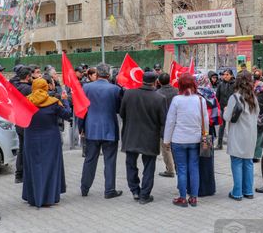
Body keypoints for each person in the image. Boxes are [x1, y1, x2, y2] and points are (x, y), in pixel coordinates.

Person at [23, 78, 72, 207]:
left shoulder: (25, 101)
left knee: (33, 166)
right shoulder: (54, 102)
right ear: (46, 87)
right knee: (50, 166)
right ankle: (49, 197)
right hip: (51, 139)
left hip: (31, 138)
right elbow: (67, 114)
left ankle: (34, 197)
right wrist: (65, 99)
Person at [120, 71, 166, 204]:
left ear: (142, 80)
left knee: (130, 164)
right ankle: (145, 195)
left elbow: (122, 113)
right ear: (155, 82)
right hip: (150, 137)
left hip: (131, 135)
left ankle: (135, 190)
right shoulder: (159, 98)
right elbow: (163, 121)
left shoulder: (129, 94)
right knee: (149, 166)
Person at [164, 73, 209, 207]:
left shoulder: (176, 100)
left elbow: (170, 121)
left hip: (179, 140)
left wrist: (167, 140)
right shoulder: (201, 100)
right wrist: (205, 136)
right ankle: (194, 198)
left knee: (182, 169)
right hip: (195, 139)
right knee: (194, 168)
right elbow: (205, 121)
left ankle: (182, 198)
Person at [79, 63, 123, 199]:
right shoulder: (115, 89)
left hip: (91, 128)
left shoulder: (86, 87)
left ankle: (84, 188)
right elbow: (118, 109)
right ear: (109, 75)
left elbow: (82, 109)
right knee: (110, 161)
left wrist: (81, 128)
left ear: (97, 74)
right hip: (110, 128)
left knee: (90, 159)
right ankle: (109, 190)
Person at [223, 71, 259, 201]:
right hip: (251, 134)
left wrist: (226, 109)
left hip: (238, 134)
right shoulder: (253, 97)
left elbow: (227, 117)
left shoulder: (235, 97)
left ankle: (237, 192)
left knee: (237, 162)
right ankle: (248, 191)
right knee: (248, 162)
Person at [196, 75, 220, 197]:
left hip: (197, 131)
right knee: (207, 158)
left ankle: (198, 188)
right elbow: (216, 116)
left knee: (198, 160)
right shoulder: (212, 95)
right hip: (208, 132)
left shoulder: (196, 96)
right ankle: (209, 188)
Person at [156, 73, 178, 178]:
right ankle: (178, 167)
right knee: (176, 147)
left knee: (165, 149)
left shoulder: (157, 93)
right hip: (176, 124)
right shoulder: (177, 91)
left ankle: (170, 170)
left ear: (159, 81)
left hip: (163, 125)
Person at [13, 67, 32, 183]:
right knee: (27, 148)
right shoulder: (28, 89)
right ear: (27, 77)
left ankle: (18, 174)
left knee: (21, 148)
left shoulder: (15, 88)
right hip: (26, 122)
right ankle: (26, 173)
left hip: (18, 120)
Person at [216, 69, 235, 149]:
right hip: (222, 107)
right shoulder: (221, 84)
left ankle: (233, 144)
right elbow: (217, 96)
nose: (225, 76)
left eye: (227, 74)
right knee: (221, 125)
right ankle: (219, 144)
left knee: (233, 126)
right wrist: (218, 107)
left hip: (232, 107)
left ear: (231, 75)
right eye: (224, 74)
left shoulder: (235, 84)